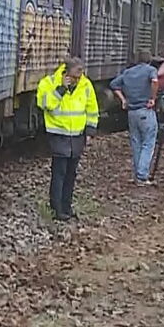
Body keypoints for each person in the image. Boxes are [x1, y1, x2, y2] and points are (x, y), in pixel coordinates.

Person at [36, 57, 99, 221]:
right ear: (66, 73)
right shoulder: (49, 83)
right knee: (59, 172)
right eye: (74, 76)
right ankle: (56, 208)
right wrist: (61, 89)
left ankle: (66, 207)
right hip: (58, 134)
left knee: (71, 173)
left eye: (80, 76)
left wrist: (90, 130)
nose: (78, 80)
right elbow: (45, 104)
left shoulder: (86, 84)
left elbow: (92, 108)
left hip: (77, 136)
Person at [111, 50, 160, 185]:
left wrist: (123, 100)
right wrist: (152, 98)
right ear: (149, 60)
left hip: (131, 112)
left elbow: (114, 85)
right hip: (145, 110)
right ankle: (142, 175)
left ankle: (137, 175)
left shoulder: (128, 72)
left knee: (136, 142)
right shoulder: (151, 70)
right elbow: (155, 81)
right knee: (148, 142)